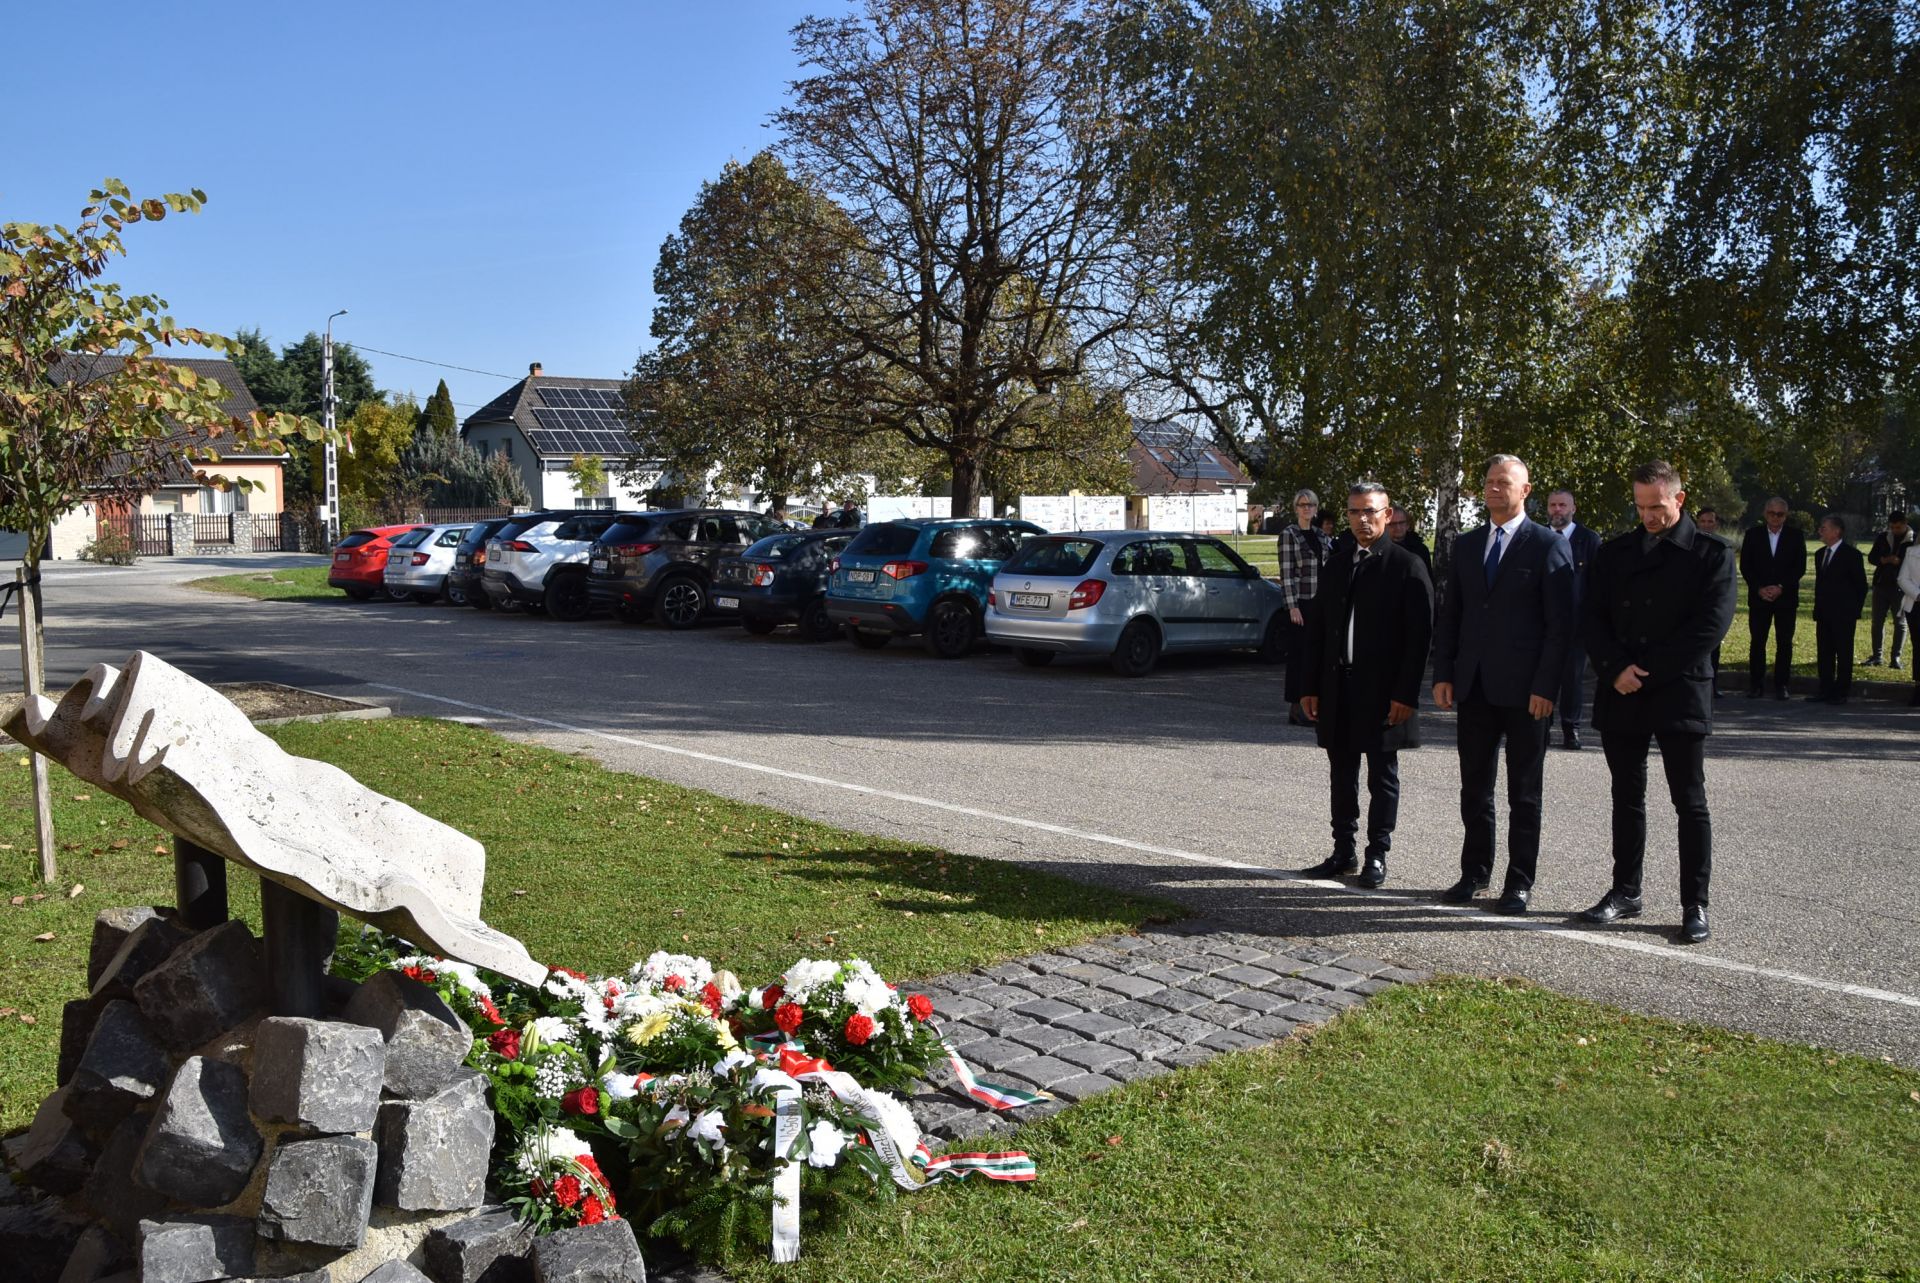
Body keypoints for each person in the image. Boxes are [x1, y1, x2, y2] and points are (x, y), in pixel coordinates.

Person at [1578, 460, 1735, 945]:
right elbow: (1592, 616)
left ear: (1679, 499)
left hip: (1678, 689)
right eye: (1641, 506)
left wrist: (1646, 673)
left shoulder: (1712, 554)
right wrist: (1614, 668)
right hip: (1621, 688)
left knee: (1689, 800)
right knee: (1626, 797)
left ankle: (1695, 903)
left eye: (1657, 507)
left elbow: (1710, 625)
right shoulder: (1616, 552)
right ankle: (1626, 891)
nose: (1648, 516)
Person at [1432, 455, 1575, 914]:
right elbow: (1452, 615)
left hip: (1527, 693)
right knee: (1474, 788)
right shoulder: (1468, 545)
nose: (1495, 488)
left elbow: (1560, 627)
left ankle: (1519, 883)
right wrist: (1444, 673)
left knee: (1524, 793)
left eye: (1504, 482)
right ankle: (1474, 873)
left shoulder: (1547, 545)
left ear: (1525, 490)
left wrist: (1546, 687)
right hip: (1474, 687)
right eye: (1489, 481)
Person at [1297, 482, 1434, 889]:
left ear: (1387, 515)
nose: (1362, 519)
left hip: (1384, 692)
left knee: (1382, 775)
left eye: (1370, 511)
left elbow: (1419, 640)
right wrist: (1310, 685)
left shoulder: (1407, 566)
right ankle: (1344, 850)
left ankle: (1377, 853)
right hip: (1338, 686)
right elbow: (1318, 630)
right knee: (1342, 772)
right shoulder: (1338, 564)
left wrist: (1405, 694)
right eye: (1355, 512)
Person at [1546, 488, 1602, 747]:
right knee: (1544, 677)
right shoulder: (1538, 537)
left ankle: (1571, 729)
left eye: (1563, 505)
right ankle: (1542, 726)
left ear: (1573, 509)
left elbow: (1596, 585)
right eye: (1553, 505)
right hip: (1543, 624)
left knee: (1572, 680)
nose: (1557, 510)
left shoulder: (1589, 540)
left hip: (1576, 625)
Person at [1739, 498, 1806, 699]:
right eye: (1772, 513)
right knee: (1758, 642)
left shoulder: (1796, 536)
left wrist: (1781, 587)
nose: (1775, 517)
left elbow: (1799, 567)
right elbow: (1746, 566)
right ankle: (1756, 684)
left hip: (1786, 598)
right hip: (1759, 598)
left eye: (1780, 514)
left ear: (1786, 515)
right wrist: (1759, 588)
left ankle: (1782, 685)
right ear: (1765, 513)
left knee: (1784, 642)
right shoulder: (1753, 535)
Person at [1276, 488, 1330, 727]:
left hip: (1321, 603)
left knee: (1317, 656)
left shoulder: (1321, 535)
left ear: (1316, 509)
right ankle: (1296, 707)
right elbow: (1286, 573)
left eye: (1311, 505)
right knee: (1299, 656)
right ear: (1296, 508)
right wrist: (1292, 606)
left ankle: (1314, 705)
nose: (1307, 508)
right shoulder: (1289, 534)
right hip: (1301, 603)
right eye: (1302, 505)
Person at [1809, 514, 1868, 705]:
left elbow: (1861, 586)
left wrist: (1853, 611)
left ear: (1836, 531)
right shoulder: (1820, 554)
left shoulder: (1852, 555)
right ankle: (1825, 689)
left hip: (1844, 614)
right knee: (1824, 652)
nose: (1820, 531)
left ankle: (1842, 691)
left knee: (1843, 653)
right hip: (1824, 613)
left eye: (1823, 528)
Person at [1865, 511, 1914, 669]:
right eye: (1892, 527)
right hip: (1881, 584)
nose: (1895, 530)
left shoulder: (1913, 540)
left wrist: (1900, 562)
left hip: (1901, 587)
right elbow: (1871, 557)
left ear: (1905, 524)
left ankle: (1896, 658)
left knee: (1900, 623)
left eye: (1898, 527)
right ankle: (1877, 656)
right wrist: (1885, 560)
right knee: (1877, 622)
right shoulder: (1883, 537)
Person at [1695, 508, 1730, 695]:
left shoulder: (1721, 548)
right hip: (1694, 603)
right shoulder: (1690, 545)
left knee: (1713, 647)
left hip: (1712, 603)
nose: (1706, 525)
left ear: (1716, 524)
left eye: (1710, 522)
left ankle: (1713, 685)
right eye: (1703, 521)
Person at [1900, 541, 1920, 706]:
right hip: (1916, 605)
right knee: (1918, 647)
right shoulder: (1912, 552)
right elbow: (1902, 578)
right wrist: (1917, 594)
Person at [1386, 509, 1433, 573]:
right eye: (1392, 524)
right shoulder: (1379, 549)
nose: (1398, 527)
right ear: (1385, 526)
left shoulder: (1421, 550)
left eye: (1401, 523)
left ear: (1407, 525)